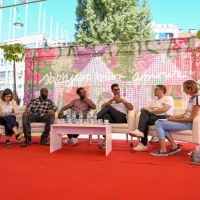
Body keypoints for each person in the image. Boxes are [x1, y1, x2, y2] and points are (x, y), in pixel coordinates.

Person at [151, 80, 200, 156]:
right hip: (185, 122)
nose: (183, 90)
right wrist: (172, 117)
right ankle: (174, 146)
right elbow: (185, 114)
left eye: (184, 88)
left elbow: (192, 118)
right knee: (162, 123)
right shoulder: (192, 98)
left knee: (158, 123)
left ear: (190, 89)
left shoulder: (197, 99)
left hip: (189, 124)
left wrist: (175, 120)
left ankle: (163, 150)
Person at [129, 85, 174, 151]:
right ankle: (140, 134)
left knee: (146, 119)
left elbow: (164, 109)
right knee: (145, 114)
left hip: (164, 117)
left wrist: (151, 110)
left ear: (161, 90)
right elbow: (143, 109)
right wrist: (146, 109)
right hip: (154, 116)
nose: (154, 90)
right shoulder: (153, 101)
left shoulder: (168, 98)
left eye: (156, 89)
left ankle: (143, 142)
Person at [97, 83, 133, 148]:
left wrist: (123, 101)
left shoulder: (124, 98)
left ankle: (95, 118)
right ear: (112, 91)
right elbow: (102, 107)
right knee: (106, 115)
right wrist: (112, 100)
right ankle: (106, 140)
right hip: (113, 119)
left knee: (108, 107)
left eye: (118, 89)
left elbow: (131, 107)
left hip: (121, 118)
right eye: (115, 90)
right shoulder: (111, 100)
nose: (117, 91)